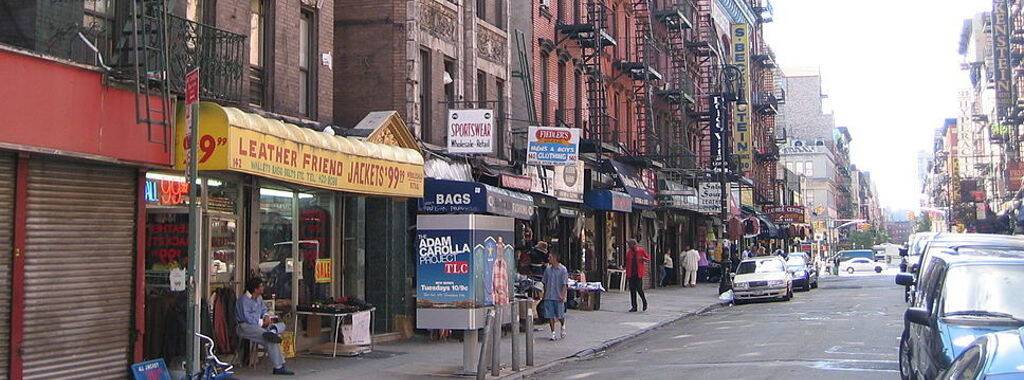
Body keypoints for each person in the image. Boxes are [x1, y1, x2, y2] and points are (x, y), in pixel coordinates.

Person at [236, 277, 293, 376]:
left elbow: (264, 310)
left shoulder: (259, 298)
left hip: (261, 326)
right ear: (255, 289)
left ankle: (272, 332)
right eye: (261, 286)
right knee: (270, 339)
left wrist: (266, 316)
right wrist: (262, 322)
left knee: (281, 325)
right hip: (246, 326)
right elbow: (247, 318)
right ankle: (279, 366)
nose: (263, 288)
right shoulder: (243, 301)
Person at [539, 252, 569, 340]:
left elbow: (565, 284)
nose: (548, 259)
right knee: (550, 315)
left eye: (550, 257)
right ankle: (553, 333)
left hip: (558, 296)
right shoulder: (548, 269)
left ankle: (562, 326)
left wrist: (562, 295)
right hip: (549, 295)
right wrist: (544, 294)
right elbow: (544, 282)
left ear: (555, 258)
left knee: (560, 315)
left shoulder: (563, 270)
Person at [624, 239, 649, 312]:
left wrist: (643, 259)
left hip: (638, 274)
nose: (629, 246)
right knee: (632, 290)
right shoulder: (629, 253)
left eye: (630, 245)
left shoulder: (641, 250)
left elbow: (648, 259)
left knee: (639, 289)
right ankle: (634, 306)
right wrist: (627, 273)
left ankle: (644, 302)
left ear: (634, 244)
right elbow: (627, 263)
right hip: (631, 274)